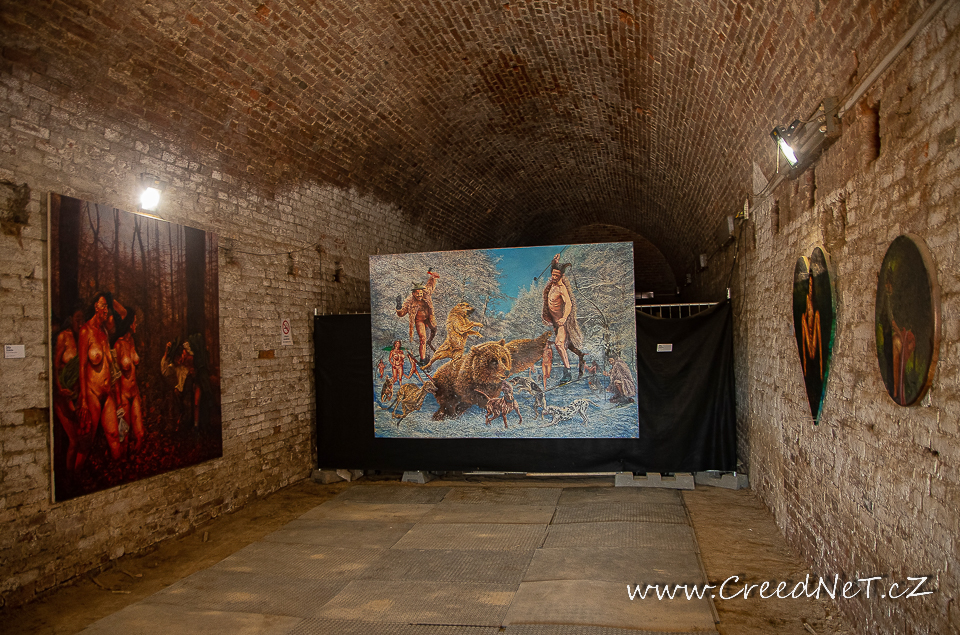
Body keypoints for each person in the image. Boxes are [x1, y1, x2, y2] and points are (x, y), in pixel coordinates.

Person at [77, 292, 123, 461]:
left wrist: (116, 393)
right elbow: (82, 367)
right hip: (92, 394)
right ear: (96, 306)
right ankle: (75, 474)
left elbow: (110, 366)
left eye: (107, 307)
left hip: (107, 394)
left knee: (114, 436)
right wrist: (83, 400)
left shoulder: (104, 332)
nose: (106, 310)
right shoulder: (85, 331)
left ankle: (120, 473)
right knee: (86, 444)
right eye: (104, 306)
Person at [542, 254, 585, 384]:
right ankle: (580, 358)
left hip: (562, 323)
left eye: (557, 275)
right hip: (555, 323)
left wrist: (564, 318)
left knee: (559, 344)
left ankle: (567, 373)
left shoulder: (562, 288)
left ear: (561, 276)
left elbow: (569, 304)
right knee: (568, 346)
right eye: (553, 275)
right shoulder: (551, 285)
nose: (554, 277)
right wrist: (555, 262)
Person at [53, 310, 83, 471]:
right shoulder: (63, 337)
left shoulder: (82, 338)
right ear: (71, 319)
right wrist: (59, 388)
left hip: (77, 395)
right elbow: (55, 365)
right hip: (63, 395)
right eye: (77, 319)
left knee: (81, 439)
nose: (80, 323)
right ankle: (69, 476)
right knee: (74, 440)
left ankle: (75, 475)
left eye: (82, 319)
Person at [396, 269, 440, 366]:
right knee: (422, 339)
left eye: (421, 293)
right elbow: (402, 313)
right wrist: (398, 306)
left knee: (434, 331)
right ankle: (422, 359)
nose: (420, 295)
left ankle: (430, 343)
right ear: (413, 293)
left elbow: (430, 285)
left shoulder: (426, 293)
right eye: (417, 294)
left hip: (429, 319)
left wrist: (433, 277)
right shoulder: (409, 301)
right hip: (419, 321)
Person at [114, 311, 144, 450]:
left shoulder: (132, 341)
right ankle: (124, 460)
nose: (136, 324)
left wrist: (138, 393)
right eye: (134, 321)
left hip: (135, 393)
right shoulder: (118, 345)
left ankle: (135, 459)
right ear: (129, 323)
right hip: (124, 396)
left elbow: (134, 369)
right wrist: (118, 402)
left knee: (140, 435)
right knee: (124, 437)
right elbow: (116, 375)